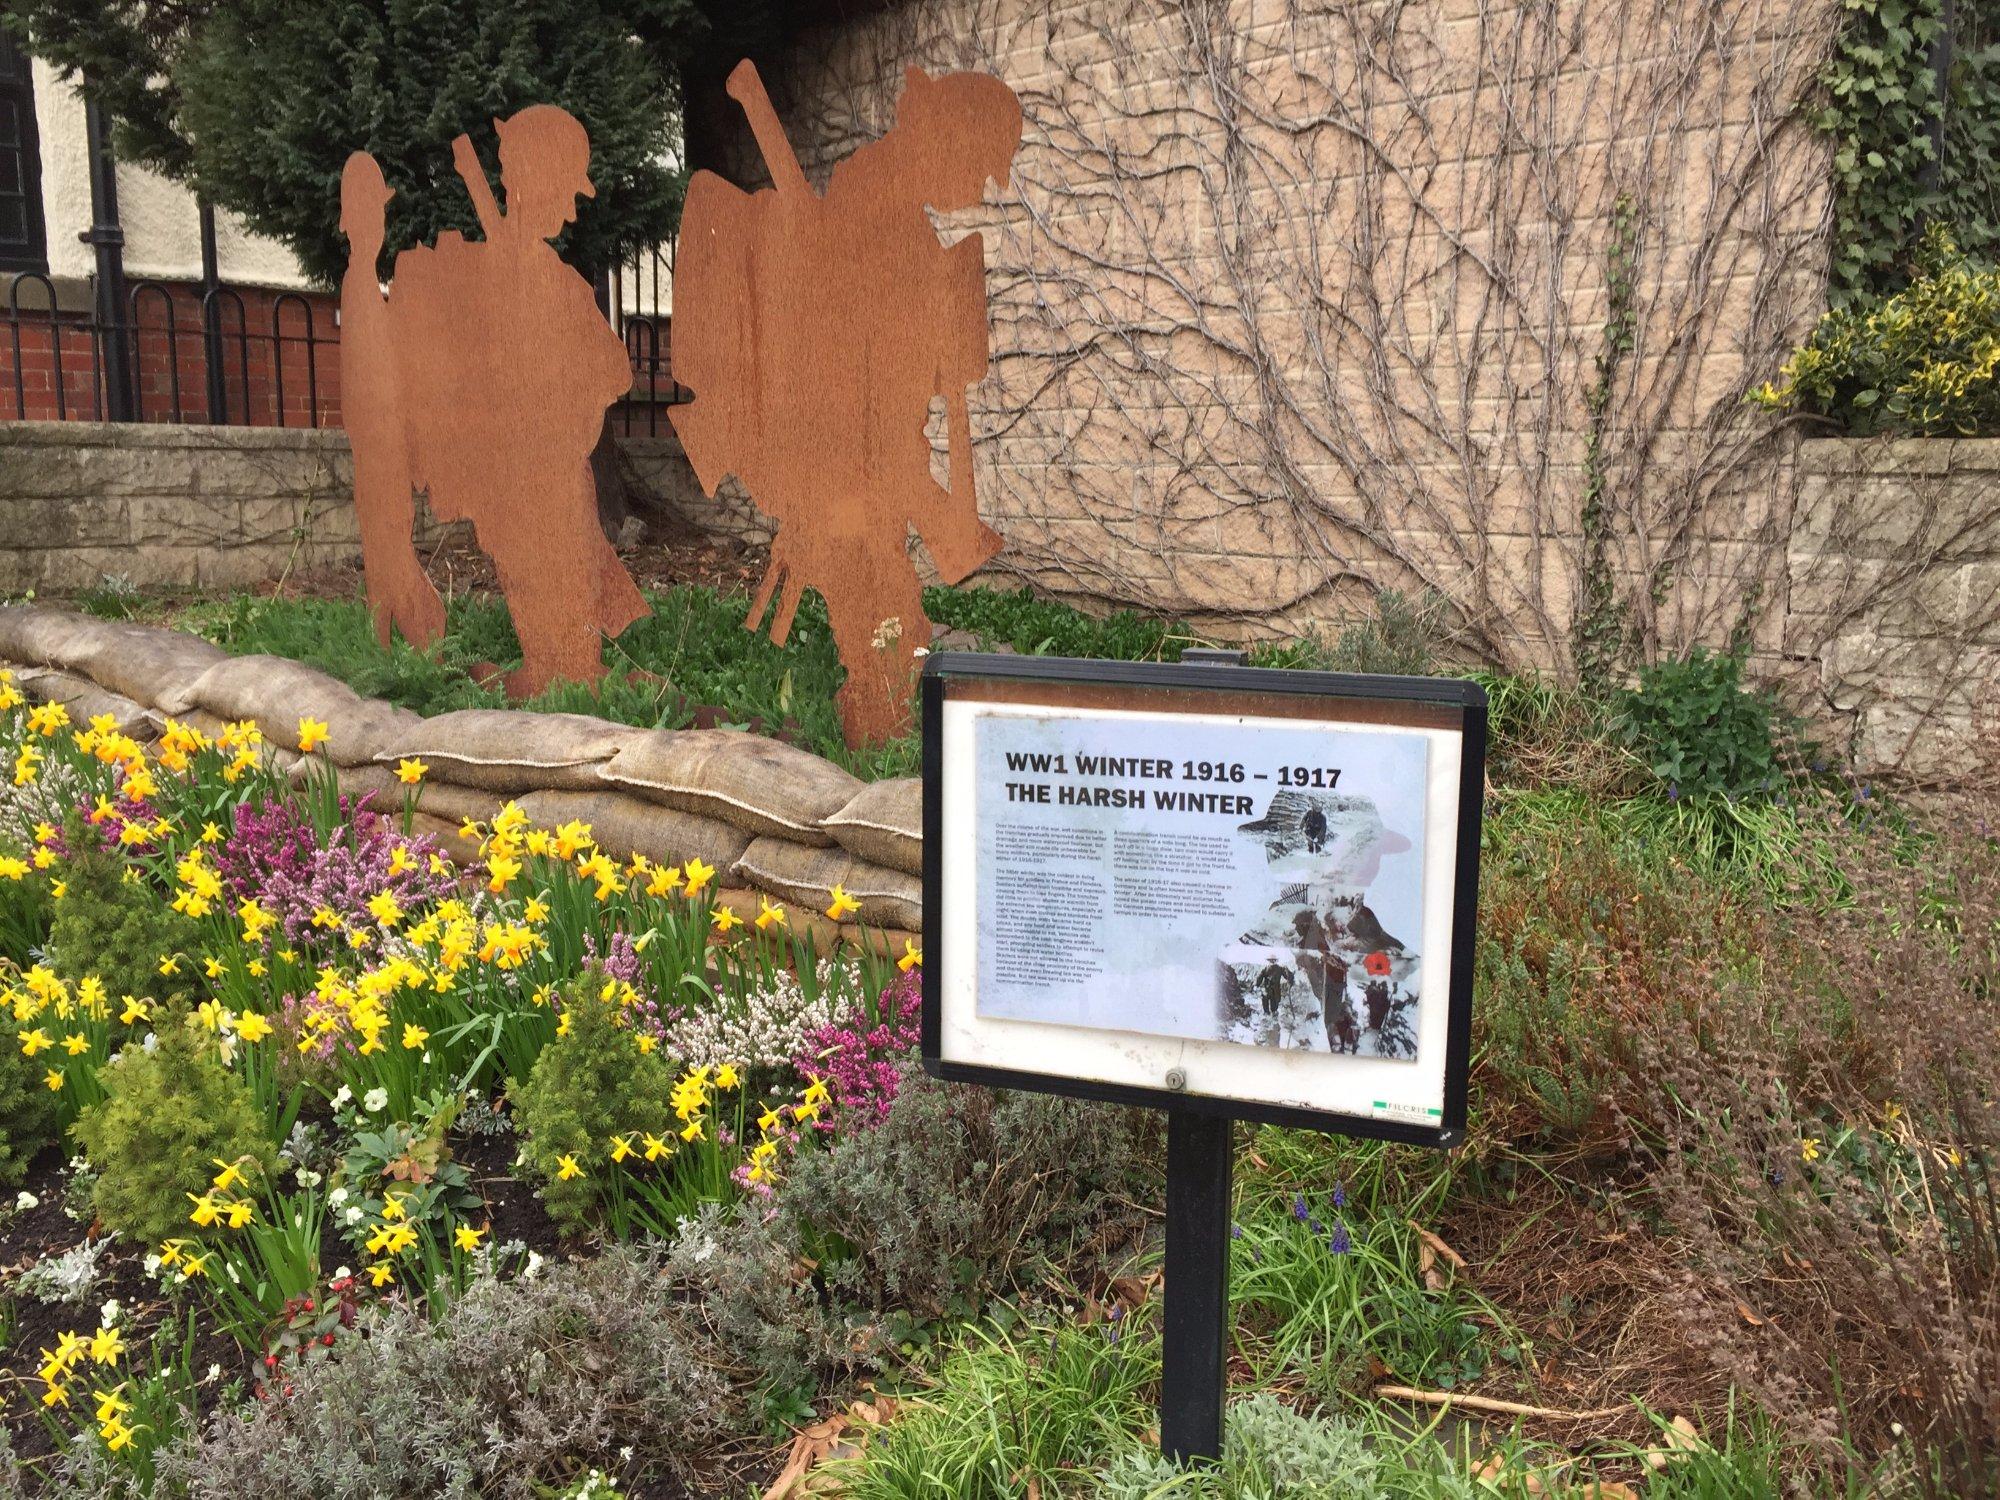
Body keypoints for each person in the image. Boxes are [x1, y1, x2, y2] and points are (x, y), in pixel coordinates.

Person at [671, 62, 1022, 742]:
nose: (982, 187)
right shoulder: (879, 211)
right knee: (886, 623)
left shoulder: (888, 208)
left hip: (874, 463)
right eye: (980, 166)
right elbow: (850, 372)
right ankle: (873, 742)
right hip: (848, 474)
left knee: (887, 620)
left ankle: (872, 728)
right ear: (946, 138)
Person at [351, 106, 647, 697]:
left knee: (579, 592)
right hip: (526, 484)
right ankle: (551, 680)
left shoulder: (547, 277)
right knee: (556, 596)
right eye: (567, 188)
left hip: (560, 473)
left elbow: (614, 368)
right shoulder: (493, 278)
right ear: (536, 179)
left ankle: (567, 673)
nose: (572, 207)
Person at [339, 153, 446, 652]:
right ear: (354, 218)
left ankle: (392, 641)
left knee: (390, 541)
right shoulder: (359, 286)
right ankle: (398, 641)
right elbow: (370, 381)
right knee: (387, 545)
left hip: (384, 447)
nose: (377, 224)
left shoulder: (365, 285)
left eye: (378, 214)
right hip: (379, 449)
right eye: (370, 214)